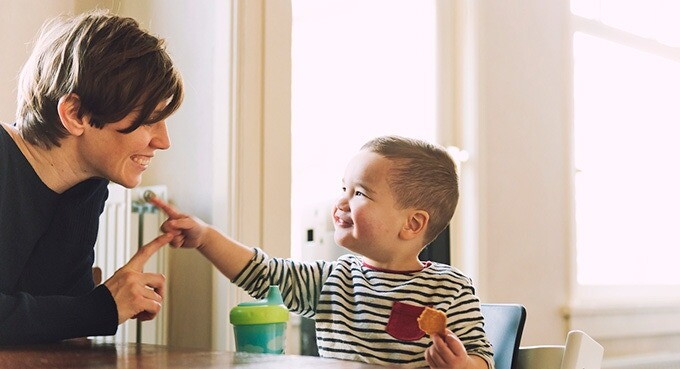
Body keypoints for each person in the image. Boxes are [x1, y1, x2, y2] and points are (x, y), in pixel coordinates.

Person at [151, 136, 494, 369]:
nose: (341, 202)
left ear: (412, 224)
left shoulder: (451, 287)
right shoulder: (333, 278)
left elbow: (483, 357)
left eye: (360, 193)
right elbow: (263, 273)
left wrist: (462, 364)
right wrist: (206, 237)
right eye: (343, 188)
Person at [0, 10, 183, 344]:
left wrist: (116, 299)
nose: (164, 141)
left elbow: (60, 314)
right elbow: (77, 313)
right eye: (149, 119)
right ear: (76, 114)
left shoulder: (86, 186)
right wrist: (100, 309)